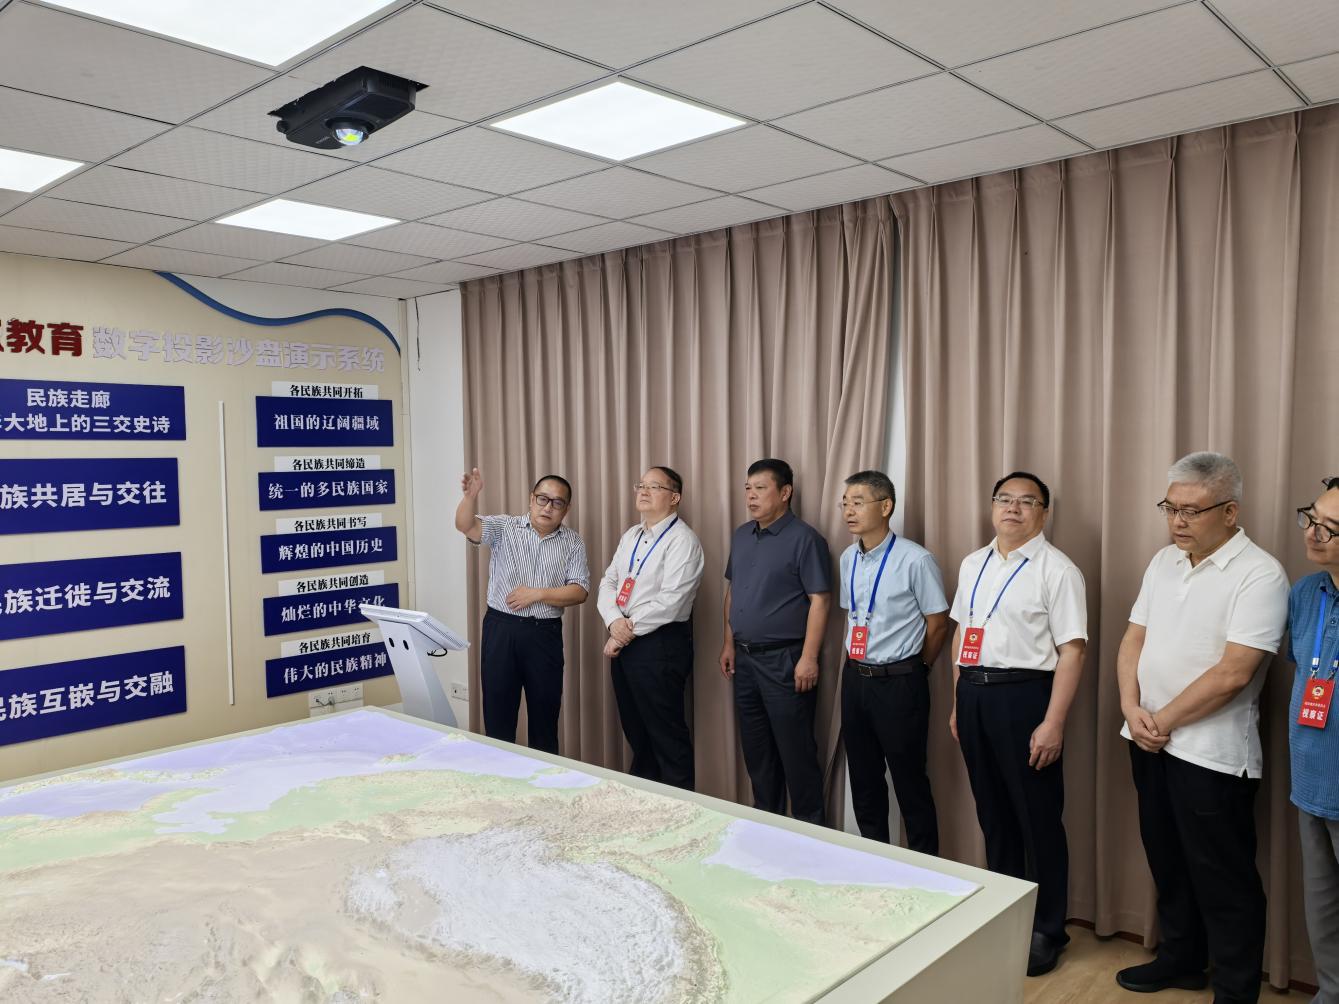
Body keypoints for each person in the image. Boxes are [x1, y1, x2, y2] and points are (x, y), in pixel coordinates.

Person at [1115, 452, 1288, 1003]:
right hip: (1147, 740)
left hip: (1212, 754)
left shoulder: (1261, 573)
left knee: (1223, 875)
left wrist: (1161, 720)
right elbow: (1132, 639)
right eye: (1170, 508)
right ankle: (1182, 960)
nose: (1177, 521)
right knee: (1166, 860)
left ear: (1230, 511)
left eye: (1191, 510)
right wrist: (1130, 708)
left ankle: (1236, 990)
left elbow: (1235, 672)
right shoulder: (1163, 561)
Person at [948, 471, 1087, 978]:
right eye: (1004, 499)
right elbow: (964, 633)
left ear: (1043, 513)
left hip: (1026, 696)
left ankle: (1048, 929)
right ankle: (1006, 912)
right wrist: (958, 701)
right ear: (992, 507)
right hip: (974, 693)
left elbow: (1073, 651)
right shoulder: (973, 562)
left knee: (1038, 818)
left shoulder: (1058, 570)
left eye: (1027, 501)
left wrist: (1054, 722)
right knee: (993, 812)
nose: (1013, 508)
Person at [837, 469, 948, 853]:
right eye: (845, 503)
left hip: (900, 681)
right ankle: (875, 862)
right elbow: (853, 615)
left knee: (909, 780)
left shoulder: (916, 560)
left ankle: (926, 868)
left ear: (886, 507)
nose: (849, 511)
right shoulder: (848, 558)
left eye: (858, 502)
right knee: (863, 779)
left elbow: (937, 624)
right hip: (855, 678)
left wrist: (918, 668)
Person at [720, 458, 833, 825]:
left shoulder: (806, 539)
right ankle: (766, 826)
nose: (750, 496)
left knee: (796, 752)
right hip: (745, 660)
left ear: (785, 493)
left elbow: (820, 600)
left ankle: (810, 830)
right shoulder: (741, 535)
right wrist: (728, 643)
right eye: (747, 489)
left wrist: (809, 658)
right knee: (757, 752)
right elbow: (733, 591)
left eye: (760, 488)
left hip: (786, 660)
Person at [455, 467, 589, 754]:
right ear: (531, 499)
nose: (548, 507)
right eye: (542, 499)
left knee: (545, 719)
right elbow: (466, 526)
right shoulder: (505, 527)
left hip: (544, 636)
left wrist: (538, 593)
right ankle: (499, 776)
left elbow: (580, 591)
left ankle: (542, 779)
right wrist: (470, 498)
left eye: (557, 502)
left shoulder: (573, 541)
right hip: (502, 630)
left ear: (566, 509)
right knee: (498, 717)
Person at [596, 466, 705, 791]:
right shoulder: (631, 535)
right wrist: (614, 622)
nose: (643, 491)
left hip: (661, 645)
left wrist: (623, 632)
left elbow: (672, 600)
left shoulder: (683, 540)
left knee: (666, 736)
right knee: (637, 732)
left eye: (654, 487)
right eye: (641, 485)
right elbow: (608, 582)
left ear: (675, 497)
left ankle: (681, 810)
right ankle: (645, 805)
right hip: (626, 639)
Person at [1288, 476, 1339, 1004]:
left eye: (1329, 528)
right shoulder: (1306, 594)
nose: (1312, 533)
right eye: (1311, 518)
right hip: (1310, 779)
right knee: (1322, 910)